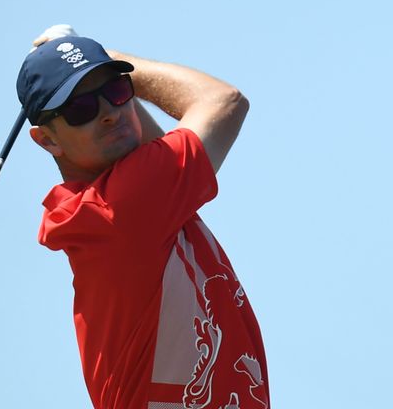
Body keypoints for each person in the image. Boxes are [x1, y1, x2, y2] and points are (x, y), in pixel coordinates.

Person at [16, 26, 270, 409]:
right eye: (81, 108)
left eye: (116, 92)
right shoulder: (124, 207)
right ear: (48, 140)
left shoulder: (126, 202)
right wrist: (118, 61)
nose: (108, 114)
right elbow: (224, 101)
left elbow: (146, 147)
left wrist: (95, 65)